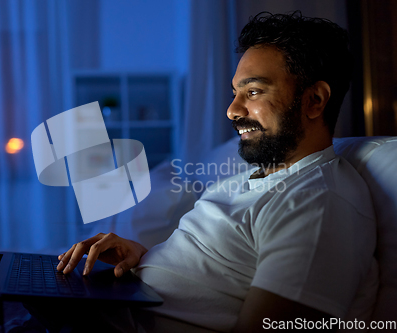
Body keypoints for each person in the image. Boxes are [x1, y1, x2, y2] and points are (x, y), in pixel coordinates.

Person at [54, 12, 378, 332]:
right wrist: (143, 257)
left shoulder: (317, 206)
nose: (232, 110)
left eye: (253, 92)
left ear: (315, 100)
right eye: (235, 93)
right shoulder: (251, 179)